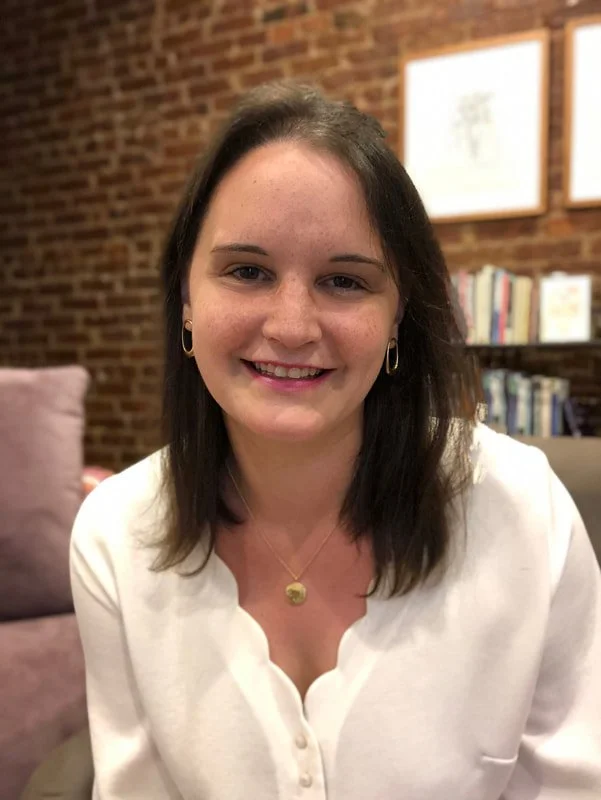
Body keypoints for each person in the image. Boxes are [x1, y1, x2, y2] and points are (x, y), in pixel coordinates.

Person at [70, 82, 601, 800]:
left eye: (344, 281)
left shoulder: (524, 512)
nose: (291, 326)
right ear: (187, 301)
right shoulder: (114, 533)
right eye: (247, 271)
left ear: (395, 320)